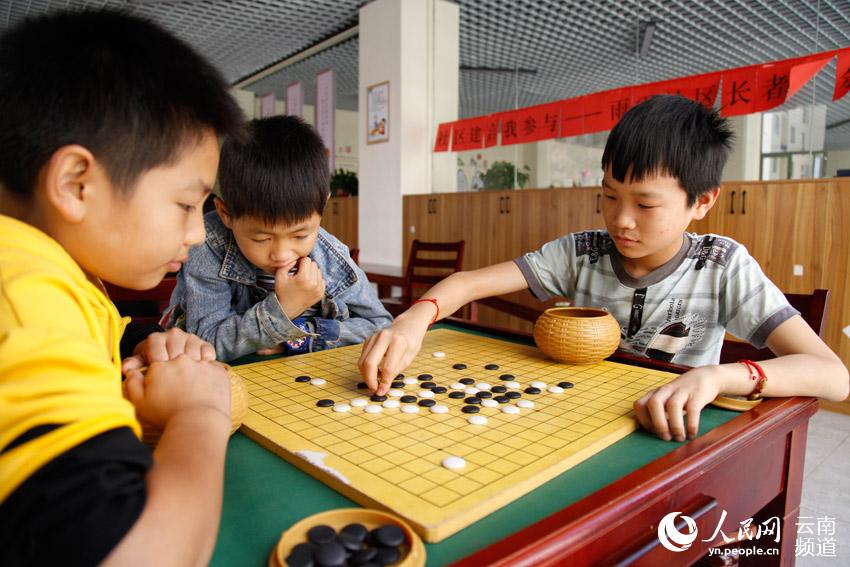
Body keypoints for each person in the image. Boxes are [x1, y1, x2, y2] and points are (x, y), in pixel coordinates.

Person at [358, 95, 849, 443]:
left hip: (671, 438)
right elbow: (468, 283)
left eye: (645, 204)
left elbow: (832, 376)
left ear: (702, 202)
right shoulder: (583, 252)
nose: (621, 220)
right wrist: (414, 317)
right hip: (576, 423)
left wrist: (717, 378)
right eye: (609, 196)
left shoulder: (722, 265)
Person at [0, 9, 246, 566]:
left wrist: (140, 345)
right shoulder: (27, 296)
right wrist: (199, 413)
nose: (196, 234)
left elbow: (100, 338)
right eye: (186, 204)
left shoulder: (62, 269)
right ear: (75, 184)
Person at [165, 115, 392, 362]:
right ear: (226, 214)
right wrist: (283, 310)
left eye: (300, 235)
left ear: (323, 207)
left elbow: (380, 325)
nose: (282, 255)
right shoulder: (208, 245)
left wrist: (301, 336)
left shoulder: (331, 258)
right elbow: (204, 343)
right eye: (262, 239)